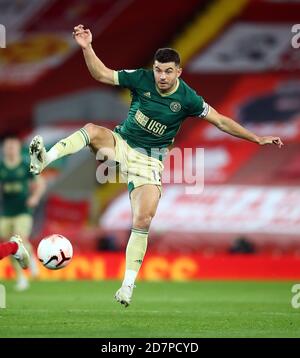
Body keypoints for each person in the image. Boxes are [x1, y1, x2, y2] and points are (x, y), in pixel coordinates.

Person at [29, 25, 283, 307]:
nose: (161, 76)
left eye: (167, 71)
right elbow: (101, 74)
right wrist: (87, 46)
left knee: (143, 220)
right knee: (92, 129)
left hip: (150, 162)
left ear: (178, 72)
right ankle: (47, 158)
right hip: (122, 144)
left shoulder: (188, 98)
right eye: (158, 70)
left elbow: (221, 121)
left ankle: (127, 286)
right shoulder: (141, 78)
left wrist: (256, 138)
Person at [0, 137, 45, 290]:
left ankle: (31, 260)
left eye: (13, 146)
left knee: (20, 237)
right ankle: (21, 278)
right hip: (5, 212)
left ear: (18, 148)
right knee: (9, 245)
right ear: (4, 149)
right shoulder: (1, 166)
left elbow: (40, 183)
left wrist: (35, 197)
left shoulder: (25, 164)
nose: (10, 149)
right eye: (8, 147)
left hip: (23, 210)